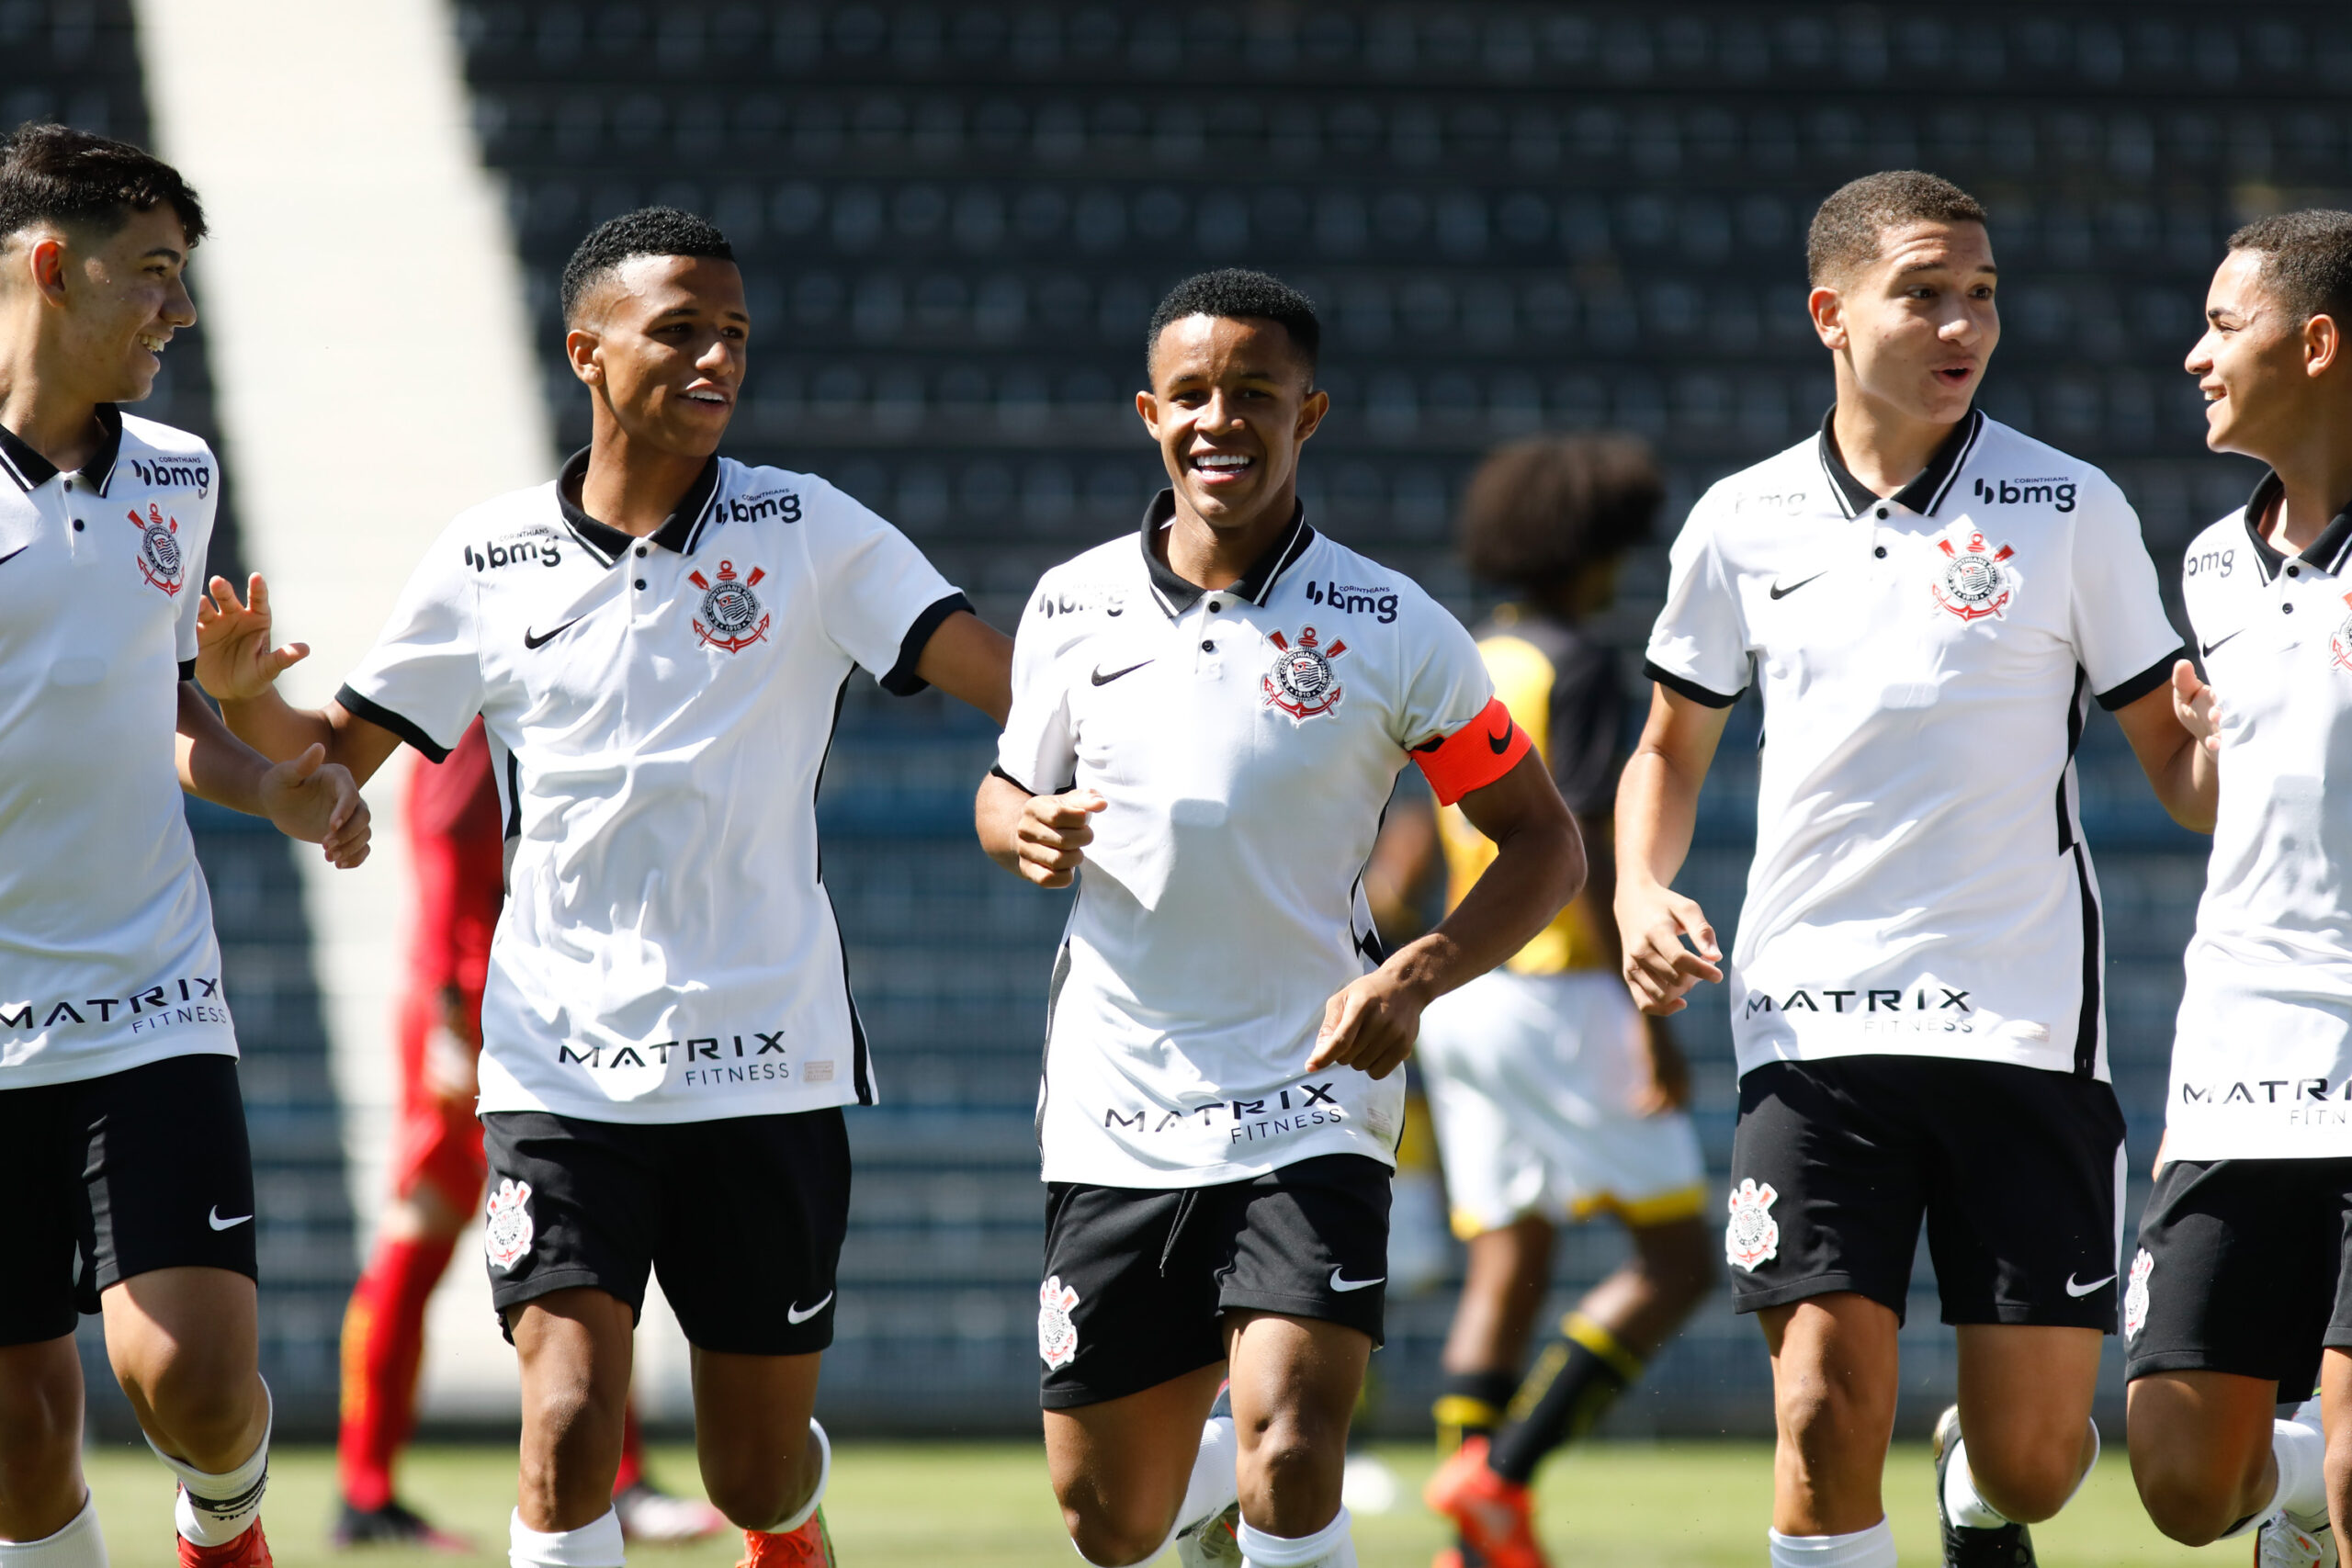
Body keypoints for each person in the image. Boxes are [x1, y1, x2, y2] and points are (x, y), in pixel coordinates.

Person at [196, 206, 1012, 1568]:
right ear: (586, 348)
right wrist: (248, 698)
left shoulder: (808, 528)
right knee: (568, 1421)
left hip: (767, 1061)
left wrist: (1055, 765)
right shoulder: (486, 555)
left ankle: (784, 1522)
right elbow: (332, 767)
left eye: (734, 335)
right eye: (680, 330)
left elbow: (1004, 677)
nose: (717, 359)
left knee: (753, 1470)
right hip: (560, 1063)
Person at [1616, 171, 2208, 1568]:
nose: (1963, 324)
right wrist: (1642, 885)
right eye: (1926, 293)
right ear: (1830, 312)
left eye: (1982, 295)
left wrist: (2267, 748)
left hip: (2023, 1027)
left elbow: (2179, 772)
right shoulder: (1741, 519)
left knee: (2041, 1461)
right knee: (1820, 1407)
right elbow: (1665, 750)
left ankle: (1976, 1480)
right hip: (1810, 1023)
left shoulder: (2071, 506)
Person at [976, 268, 1585, 1568]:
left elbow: (1544, 840)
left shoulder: (1390, 623)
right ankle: (1204, 1499)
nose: (1221, 419)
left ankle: (1253, 1486)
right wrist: (1014, 827)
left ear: (1312, 412)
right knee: (1106, 1518)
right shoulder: (1072, 602)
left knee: (1299, 1442)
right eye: (1192, 393)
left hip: (1313, 1085)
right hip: (1118, 1093)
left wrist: (1417, 974)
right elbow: (1008, 788)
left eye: (1256, 393)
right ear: (1150, 410)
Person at [0, 123, 371, 1568]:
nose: (180, 309)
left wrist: (267, 777)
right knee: (22, 1438)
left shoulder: (177, 474)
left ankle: (226, 1516)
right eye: (153, 273)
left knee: (198, 1383)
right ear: (51, 266)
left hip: (150, 994)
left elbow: (159, 704)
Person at [1359, 434, 1712, 1568]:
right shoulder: (1586, 666)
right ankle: (1499, 1478)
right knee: (1677, 1265)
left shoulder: (1469, 658)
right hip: (1562, 991)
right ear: (1592, 549)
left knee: (1508, 1255)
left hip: (1461, 993)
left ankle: (1470, 1537)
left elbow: (1401, 853)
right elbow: (1595, 847)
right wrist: (1654, 1020)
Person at [334, 721, 723, 1551]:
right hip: (476, 1007)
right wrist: (447, 1000)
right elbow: (444, 838)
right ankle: (365, 1489)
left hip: (527, 1002)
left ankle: (610, 1478)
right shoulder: (478, 698)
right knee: (439, 1227)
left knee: (584, 1226)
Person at [2121, 210, 2352, 1568]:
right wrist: (2204, 750)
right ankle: (2298, 1496)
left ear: (2317, 342)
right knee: (2184, 1486)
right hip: (2245, 1047)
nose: (2195, 355)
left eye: (2224, 324)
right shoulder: (2212, 559)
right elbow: (2229, 802)